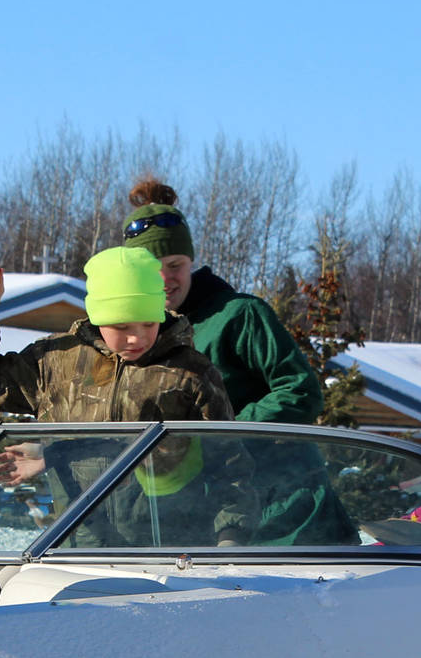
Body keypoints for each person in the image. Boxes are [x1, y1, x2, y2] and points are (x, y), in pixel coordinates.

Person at [0, 248, 250, 542]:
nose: (137, 337)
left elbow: (230, 463)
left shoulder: (191, 373)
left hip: (168, 548)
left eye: (148, 322)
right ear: (97, 316)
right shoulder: (55, 362)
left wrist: (231, 535)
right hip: (78, 546)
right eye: (121, 326)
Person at [122, 179, 352, 543]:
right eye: (152, 267)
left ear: (191, 261)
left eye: (175, 264)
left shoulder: (239, 315)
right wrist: (48, 452)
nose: (166, 279)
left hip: (286, 511)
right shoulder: (137, 338)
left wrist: (223, 433)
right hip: (211, 515)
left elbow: (301, 391)